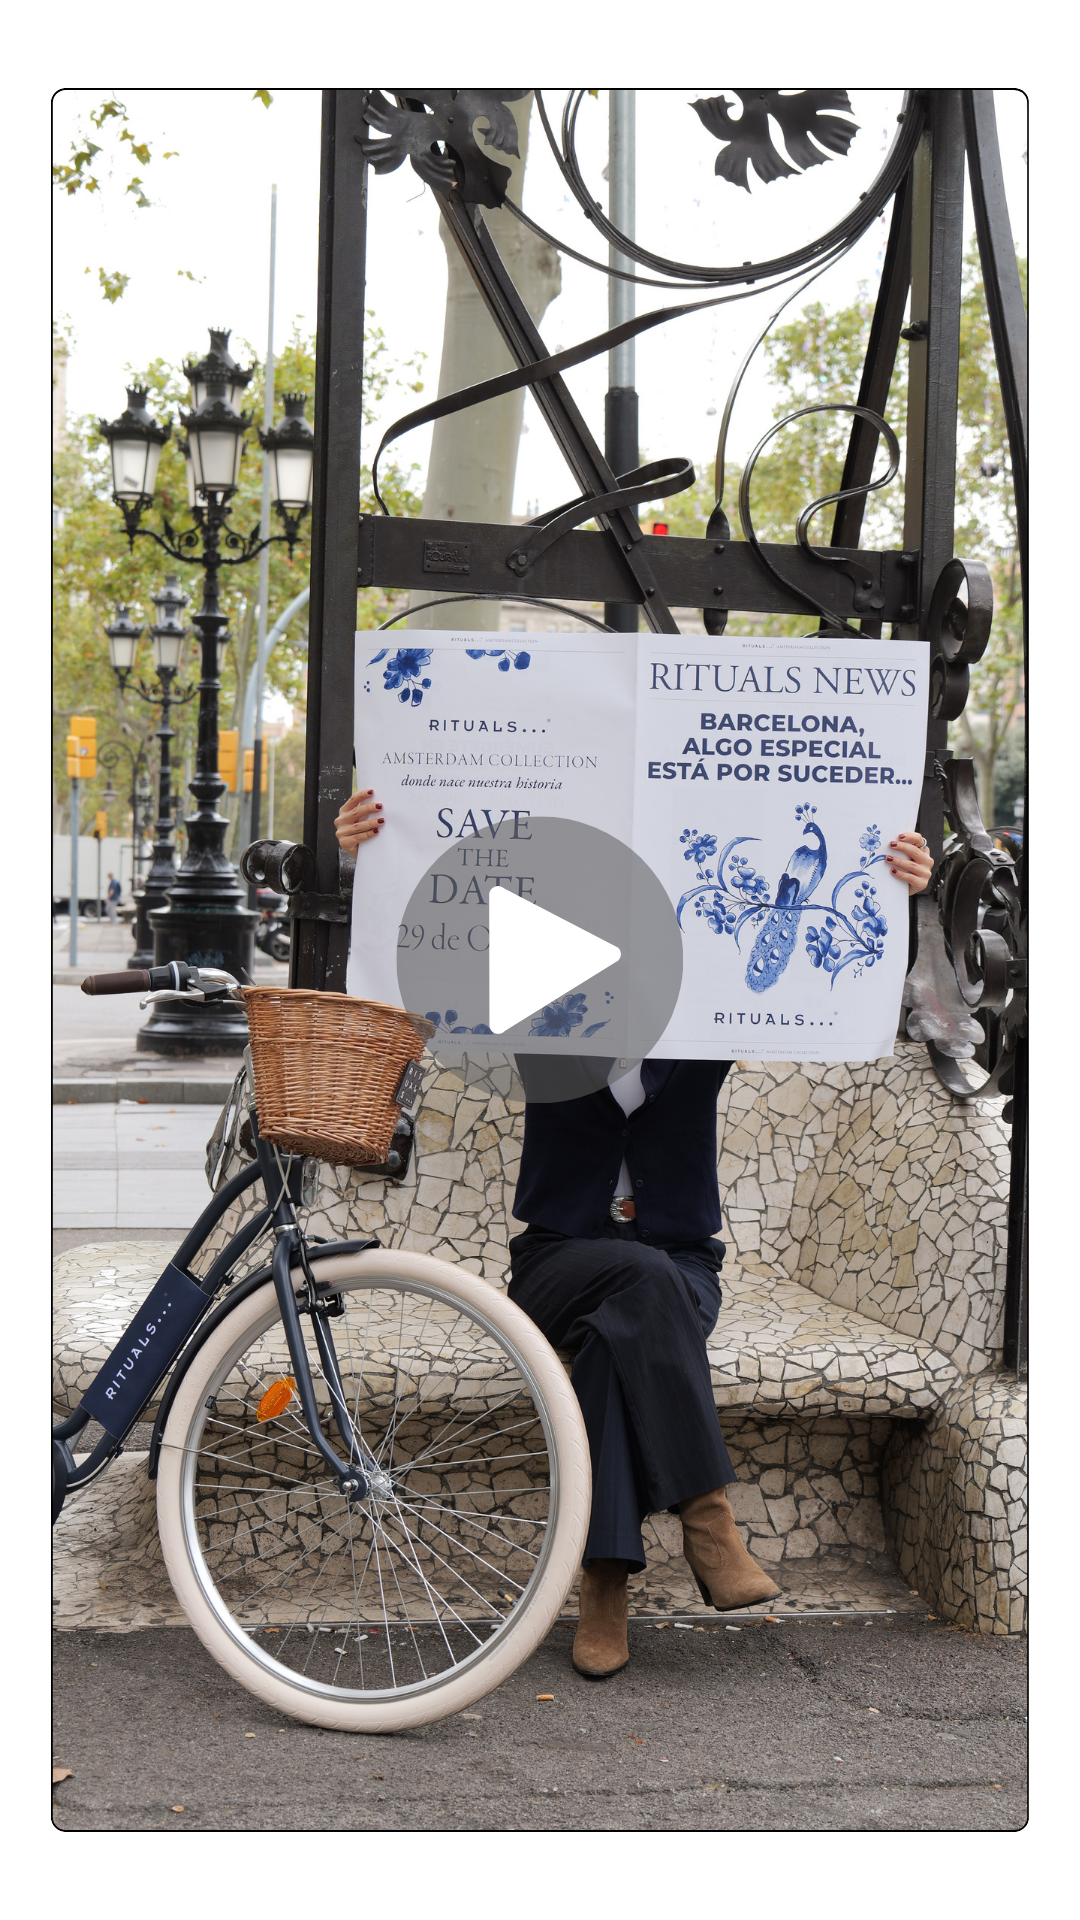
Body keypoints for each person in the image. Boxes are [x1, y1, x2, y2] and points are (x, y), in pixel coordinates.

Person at [335, 786, 934, 1678]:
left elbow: (834, 986)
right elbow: (425, 954)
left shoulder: (712, 1012)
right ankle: (709, 1519)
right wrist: (374, 863)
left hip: (681, 1257)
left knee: (620, 1341)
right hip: (558, 1257)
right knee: (633, 1288)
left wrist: (899, 892)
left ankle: (604, 1581)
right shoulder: (536, 1004)